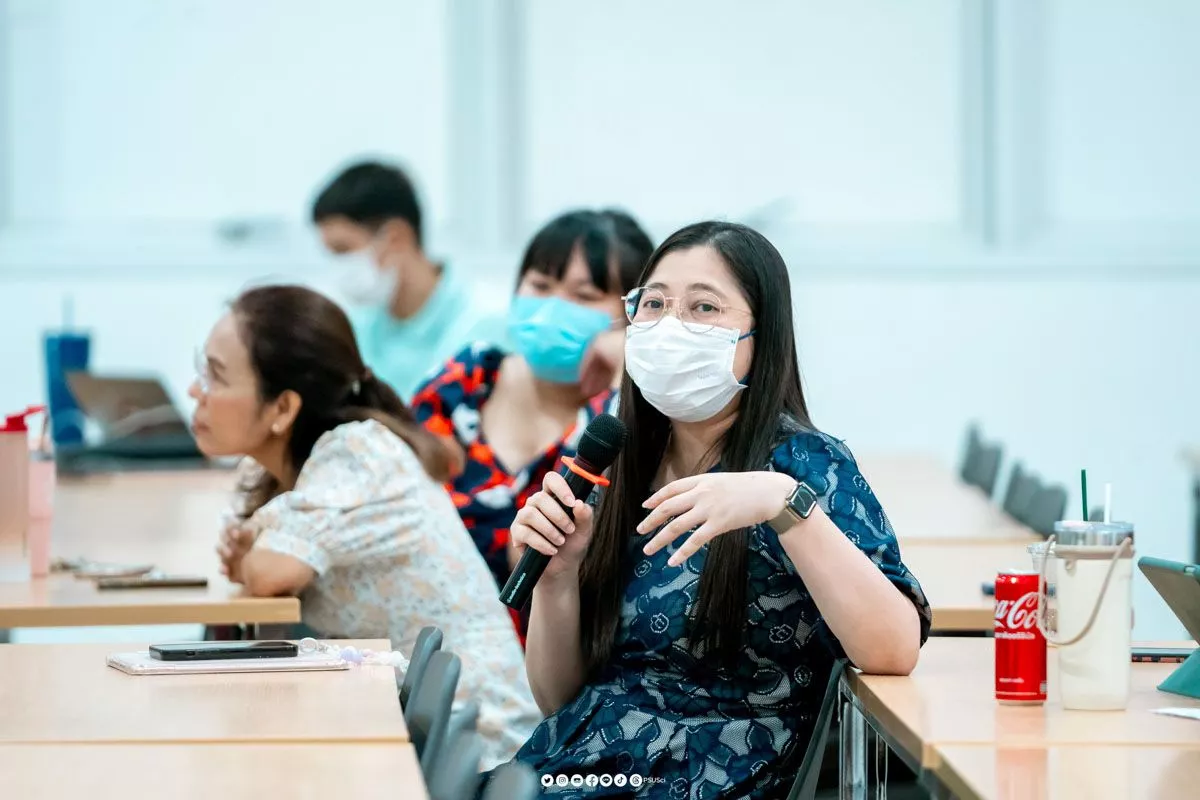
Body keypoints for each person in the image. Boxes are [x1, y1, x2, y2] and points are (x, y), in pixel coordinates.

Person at [499, 222, 931, 798]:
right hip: (592, 764)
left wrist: (784, 505)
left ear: (762, 336)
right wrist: (558, 580)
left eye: (704, 307)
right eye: (653, 305)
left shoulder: (803, 464)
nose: (670, 326)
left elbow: (893, 650)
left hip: (711, 773)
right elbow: (561, 703)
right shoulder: (620, 462)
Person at [190, 284, 538, 768]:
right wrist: (249, 555)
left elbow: (272, 572)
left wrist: (249, 555)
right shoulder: (286, 466)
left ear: (283, 409)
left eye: (215, 375)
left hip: (476, 750)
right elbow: (256, 562)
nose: (196, 390)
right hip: (406, 730)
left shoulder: (358, 451)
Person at [411, 209, 654, 636]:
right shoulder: (466, 381)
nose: (552, 308)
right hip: (423, 640)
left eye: (584, 295)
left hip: (553, 658)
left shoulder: (622, 420)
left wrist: (630, 369)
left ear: (633, 311)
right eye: (540, 286)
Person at [312, 160, 506, 400]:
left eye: (343, 250)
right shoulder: (358, 327)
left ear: (396, 237)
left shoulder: (487, 325)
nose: (338, 267)